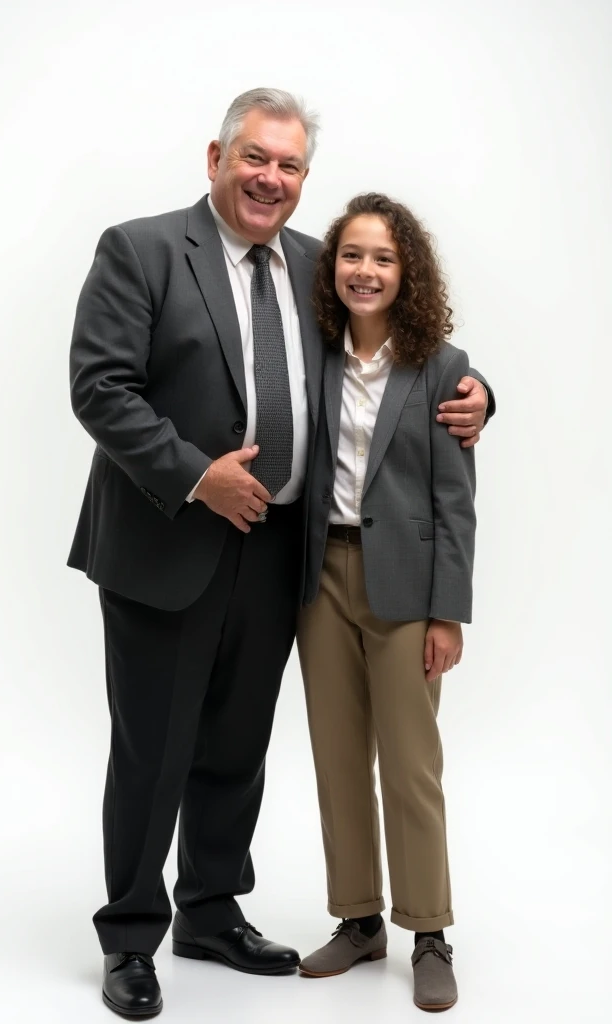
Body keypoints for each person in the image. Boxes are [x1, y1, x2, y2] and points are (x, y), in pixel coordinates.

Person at [68, 90, 492, 1018]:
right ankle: (130, 937)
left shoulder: (314, 268)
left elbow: (398, 355)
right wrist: (194, 476)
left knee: (236, 745)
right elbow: (100, 389)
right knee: (153, 749)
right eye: (255, 158)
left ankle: (211, 911)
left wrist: (479, 392)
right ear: (216, 155)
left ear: (305, 180)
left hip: (277, 557)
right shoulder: (138, 250)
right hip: (165, 545)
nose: (270, 179)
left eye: (290, 166)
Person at [297, 193, 488, 1012]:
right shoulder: (312, 352)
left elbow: (456, 499)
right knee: (339, 762)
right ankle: (359, 919)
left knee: (411, 767)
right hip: (320, 581)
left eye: (382, 257)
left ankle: (430, 931)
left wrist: (448, 611)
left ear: (406, 272)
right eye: (351, 255)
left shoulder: (443, 367)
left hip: (406, 590)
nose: (364, 270)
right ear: (331, 268)